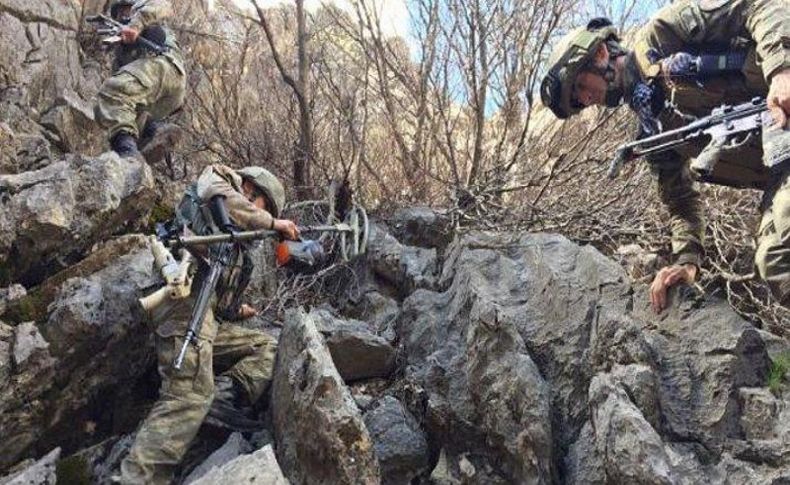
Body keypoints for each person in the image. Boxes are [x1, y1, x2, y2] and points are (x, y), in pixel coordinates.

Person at [540, 0, 790, 313]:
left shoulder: (662, 33)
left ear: (600, 54)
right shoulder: (653, 131)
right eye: (579, 101)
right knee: (775, 260)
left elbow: (759, 5)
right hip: (781, 166)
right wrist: (686, 264)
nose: (587, 99)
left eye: (580, 86)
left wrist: (782, 70)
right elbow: (681, 203)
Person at [119, 164, 299, 484]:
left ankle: (221, 399)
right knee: (186, 394)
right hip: (180, 305)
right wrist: (273, 222)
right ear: (250, 191)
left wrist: (236, 310)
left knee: (268, 347)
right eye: (262, 206)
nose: (262, 218)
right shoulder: (216, 180)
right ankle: (137, 478)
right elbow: (224, 200)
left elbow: (223, 304)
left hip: (207, 318)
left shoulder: (239, 252)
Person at [94, 0, 186, 162]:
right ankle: (154, 133)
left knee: (114, 90)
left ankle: (127, 154)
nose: (124, 15)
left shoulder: (148, 14)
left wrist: (136, 25)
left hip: (165, 66)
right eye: (120, 14)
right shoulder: (121, 56)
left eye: (126, 10)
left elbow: (162, 5)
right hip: (165, 97)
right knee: (125, 106)